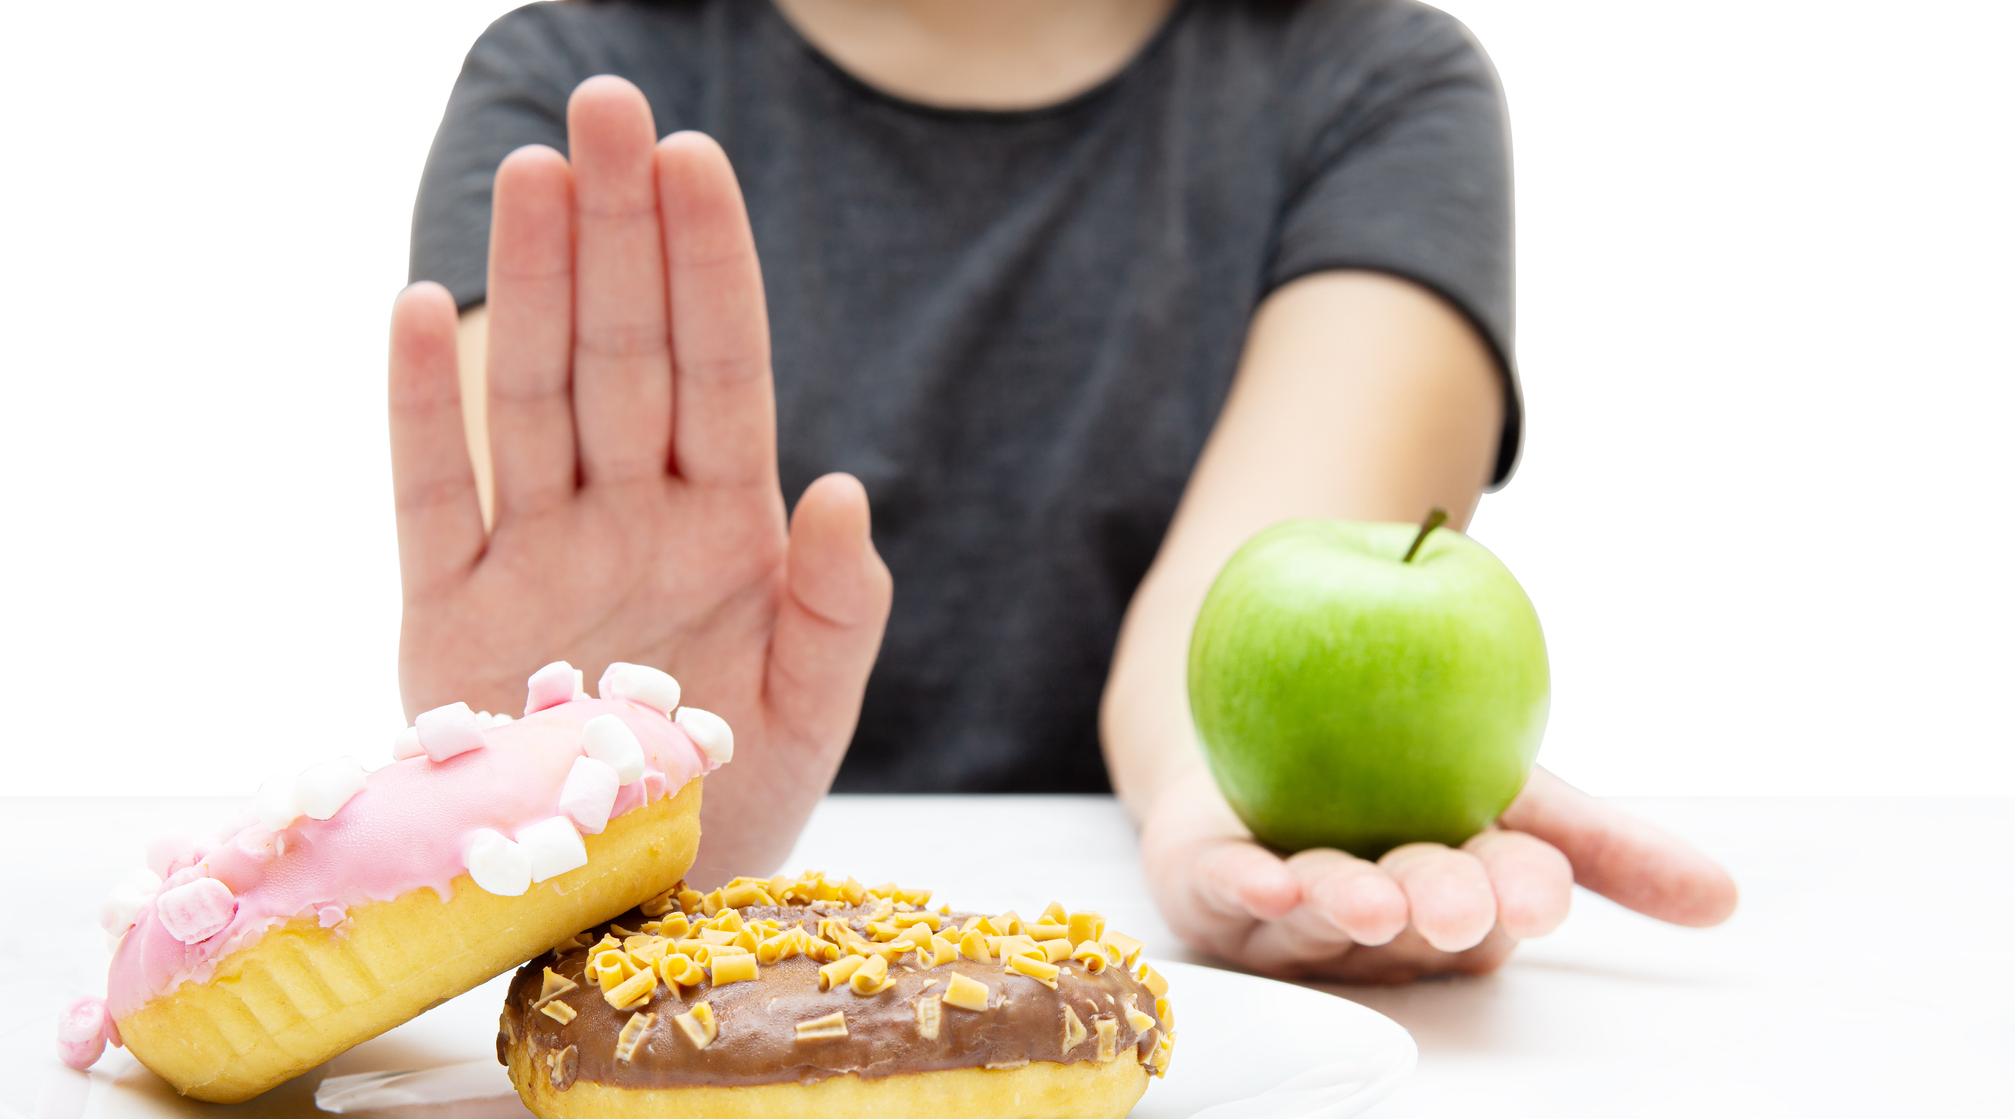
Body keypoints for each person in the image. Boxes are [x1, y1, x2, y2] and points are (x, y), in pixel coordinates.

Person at [389, 0, 1737, 984]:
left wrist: (1239, 795)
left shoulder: (1374, 82)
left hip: (1172, 1002)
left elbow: (1249, 601)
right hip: (687, 973)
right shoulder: (569, 74)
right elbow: (565, 611)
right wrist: (624, 800)